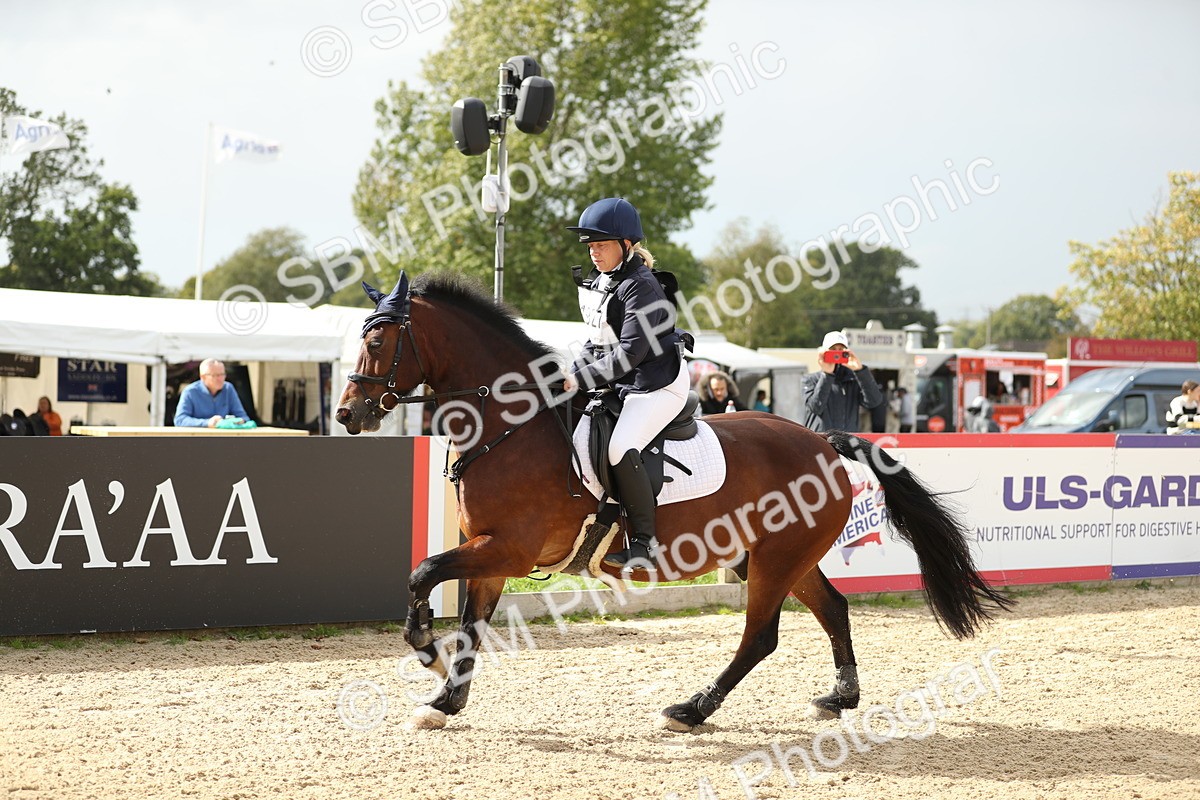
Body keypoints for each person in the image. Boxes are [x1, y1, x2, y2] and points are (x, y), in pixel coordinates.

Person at [562, 197, 692, 572]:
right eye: (590, 246)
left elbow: (632, 352)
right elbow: (596, 343)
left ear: (626, 245)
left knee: (620, 447)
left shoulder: (642, 286)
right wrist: (567, 376)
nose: (594, 253)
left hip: (656, 384)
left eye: (601, 245)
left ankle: (643, 544)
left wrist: (580, 379)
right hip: (624, 382)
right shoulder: (603, 281)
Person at [801, 331, 883, 433]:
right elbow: (816, 407)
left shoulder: (853, 380)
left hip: (847, 443)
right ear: (824, 353)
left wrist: (860, 370)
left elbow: (874, 401)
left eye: (841, 350)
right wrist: (827, 375)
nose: (837, 354)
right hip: (821, 442)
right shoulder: (810, 379)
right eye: (833, 350)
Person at [173, 358, 249, 427]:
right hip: (197, 439)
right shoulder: (190, 391)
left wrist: (234, 421)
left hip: (223, 439)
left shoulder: (228, 388)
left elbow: (243, 417)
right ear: (203, 377)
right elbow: (180, 420)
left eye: (222, 374)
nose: (220, 379)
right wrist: (207, 423)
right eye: (215, 375)